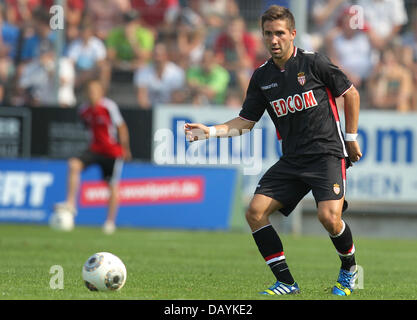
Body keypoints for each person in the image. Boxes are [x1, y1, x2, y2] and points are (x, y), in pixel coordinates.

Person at [184, 5, 362, 296]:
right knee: (255, 212)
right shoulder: (261, 77)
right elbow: (245, 122)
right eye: (268, 34)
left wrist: (351, 137)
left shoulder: (314, 63)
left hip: (326, 153)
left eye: (280, 33)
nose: (274, 39)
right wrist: (211, 131)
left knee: (329, 218)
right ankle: (287, 283)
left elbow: (350, 93)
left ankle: (349, 270)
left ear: (292, 34)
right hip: (292, 159)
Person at [55, 80, 132, 234]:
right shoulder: (83, 110)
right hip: (94, 149)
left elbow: (121, 126)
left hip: (111, 151)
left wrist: (125, 148)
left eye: (95, 90)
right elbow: (87, 127)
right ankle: (71, 203)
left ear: (101, 92)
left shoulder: (108, 106)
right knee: (73, 164)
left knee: (111, 185)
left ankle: (110, 222)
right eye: (89, 91)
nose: (92, 94)